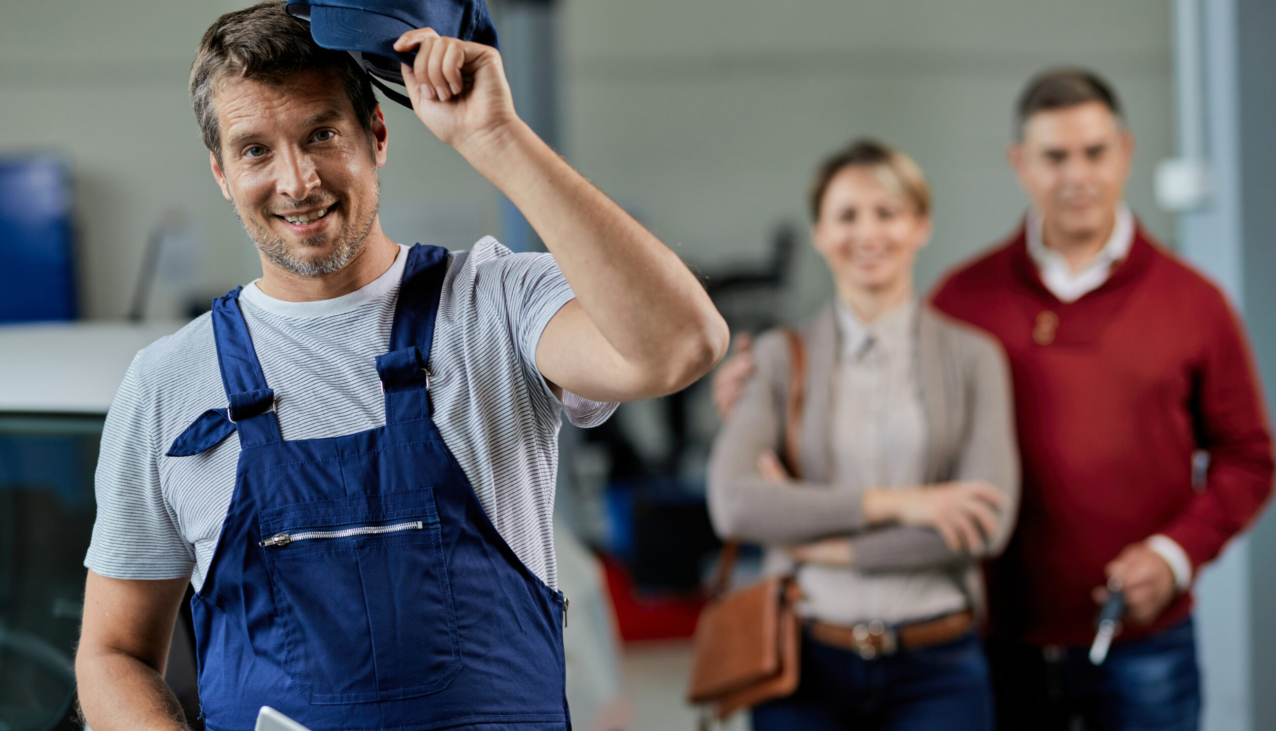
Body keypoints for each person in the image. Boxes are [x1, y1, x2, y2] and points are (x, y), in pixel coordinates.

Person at [73, 3, 728, 731]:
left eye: (322, 133)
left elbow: (680, 345)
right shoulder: (168, 381)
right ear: (222, 173)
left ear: (376, 135)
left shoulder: (497, 304)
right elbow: (112, 653)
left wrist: (498, 138)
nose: (296, 180)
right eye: (256, 150)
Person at [714, 70, 1275, 731]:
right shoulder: (966, 300)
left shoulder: (1194, 303)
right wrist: (756, 402)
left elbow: (1248, 458)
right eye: (1054, 156)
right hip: (1001, 638)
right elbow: (767, 484)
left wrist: (1175, 554)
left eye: (1094, 152)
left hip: (1142, 641)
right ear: (1020, 163)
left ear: (1124, 152)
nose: (1077, 175)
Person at [707, 139, 1019, 731]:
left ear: (921, 226)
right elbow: (734, 504)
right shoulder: (777, 358)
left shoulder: (975, 358)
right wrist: (905, 504)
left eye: (888, 212)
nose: (867, 233)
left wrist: (813, 543)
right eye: (847, 215)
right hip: (803, 665)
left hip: (939, 667)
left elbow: (984, 525)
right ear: (821, 234)